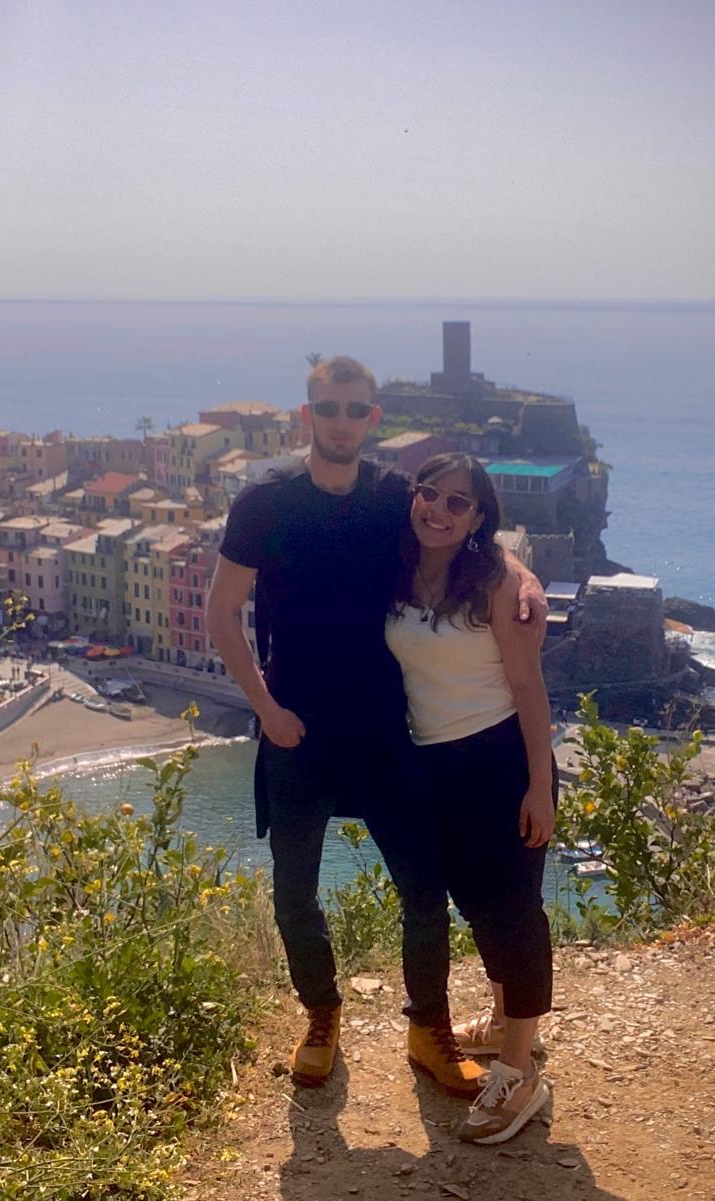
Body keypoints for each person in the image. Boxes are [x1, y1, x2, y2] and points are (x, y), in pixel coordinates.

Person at [207, 357, 544, 1092]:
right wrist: (264, 709)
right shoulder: (265, 500)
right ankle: (321, 1014)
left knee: (424, 891)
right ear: (308, 416)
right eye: (327, 407)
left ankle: (429, 1027)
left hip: (388, 732)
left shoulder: (397, 494)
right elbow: (220, 611)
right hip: (296, 730)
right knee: (293, 892)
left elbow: (467, 532)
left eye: (354, 408)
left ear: (372, 419)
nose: (339, 420)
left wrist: (523, 575)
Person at [379, 451, 556, 1144]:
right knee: (480, 908)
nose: (439, 510)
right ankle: (508, 1021)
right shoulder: (399, 568)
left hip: (500, 758)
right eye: (430, 494)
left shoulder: (495, 581)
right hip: (435, 765)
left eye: (459, 503)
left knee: (515, 912)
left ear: (480, 518)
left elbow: (528, 687)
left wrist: (539, 785)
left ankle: (519, 1071)